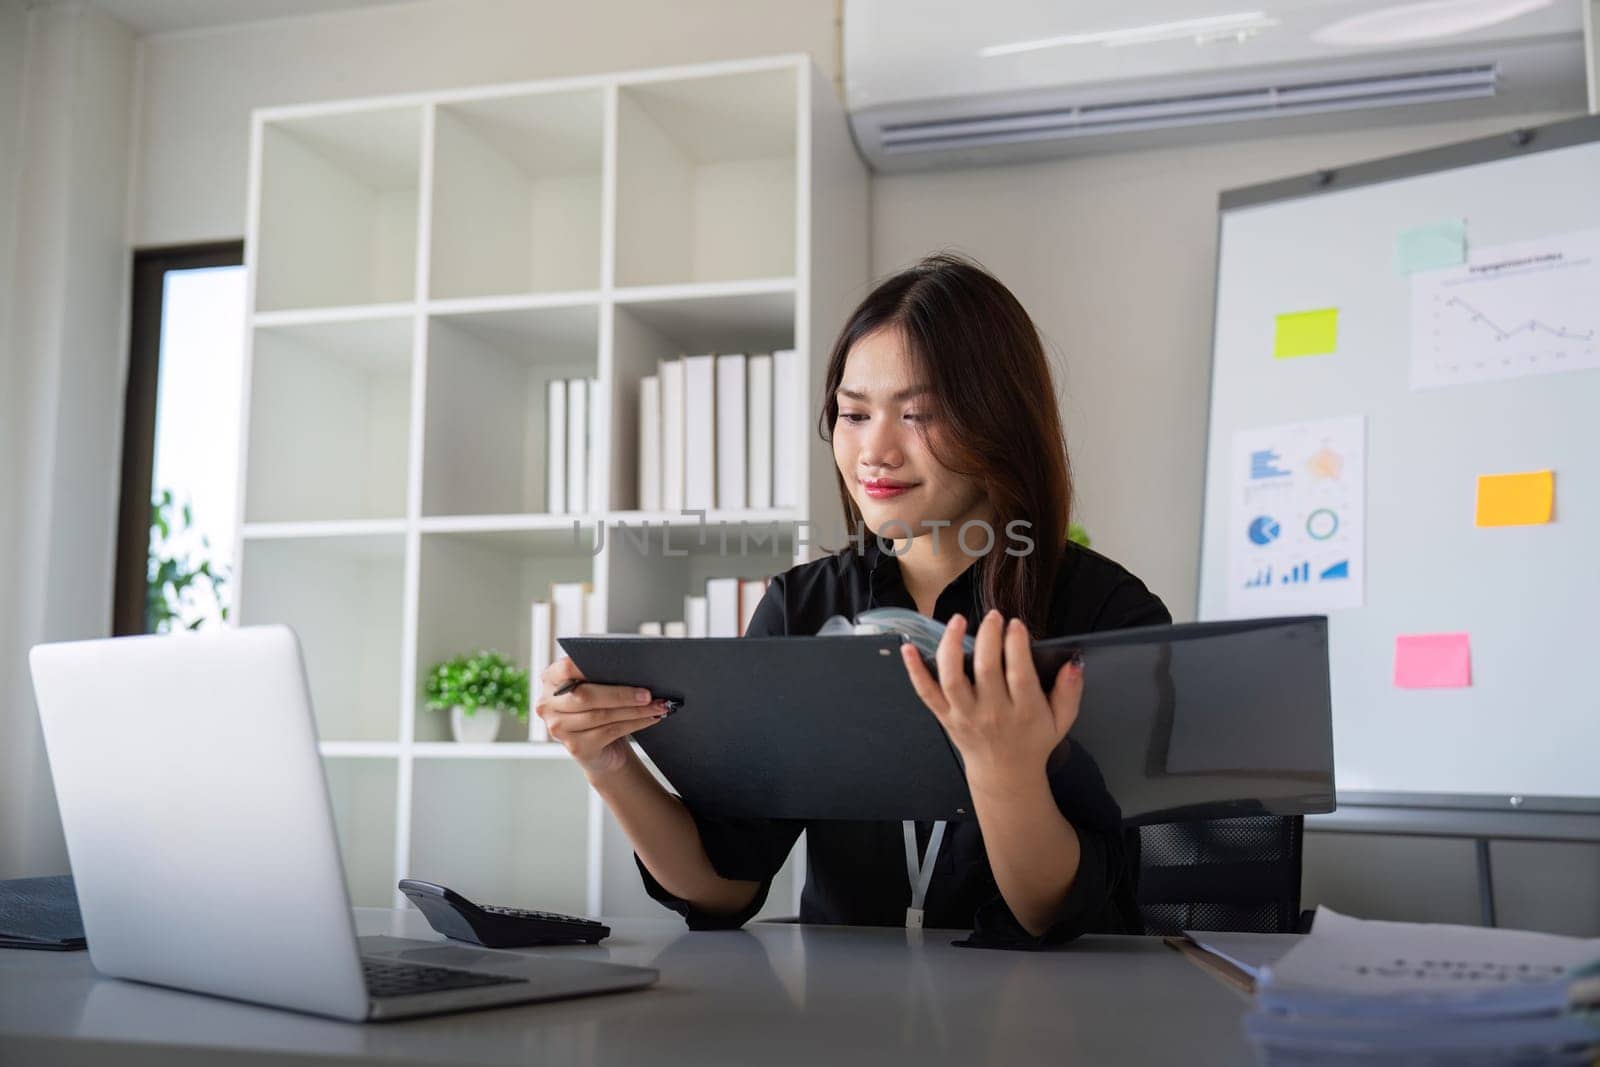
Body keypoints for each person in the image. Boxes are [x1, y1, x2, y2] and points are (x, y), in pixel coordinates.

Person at [538, 252, 1171, 947]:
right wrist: (609, 763)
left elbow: (1057, 914)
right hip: (842, 1017)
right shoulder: (800, 609)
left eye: (919, 414)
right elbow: (726, 884)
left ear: (1000, 421)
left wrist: (1004, 771)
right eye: (853, 413)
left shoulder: (1110, 615)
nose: (876, 450)